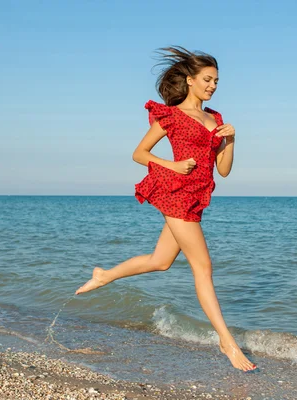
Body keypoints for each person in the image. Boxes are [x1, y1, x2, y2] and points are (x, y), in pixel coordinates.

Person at [75, 46, 257, 372]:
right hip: (174, 193)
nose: (213, 85)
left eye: (216, 80)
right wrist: (172, 165)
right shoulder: (171, 116)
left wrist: (230, 141)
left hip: (197, 196)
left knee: (160, 261)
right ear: (190, 80)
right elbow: (139, 153)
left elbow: (224, 170)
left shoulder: (216, 119)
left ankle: (105, 275)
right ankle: (227, 342)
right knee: (203, 267)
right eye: (207, 79)